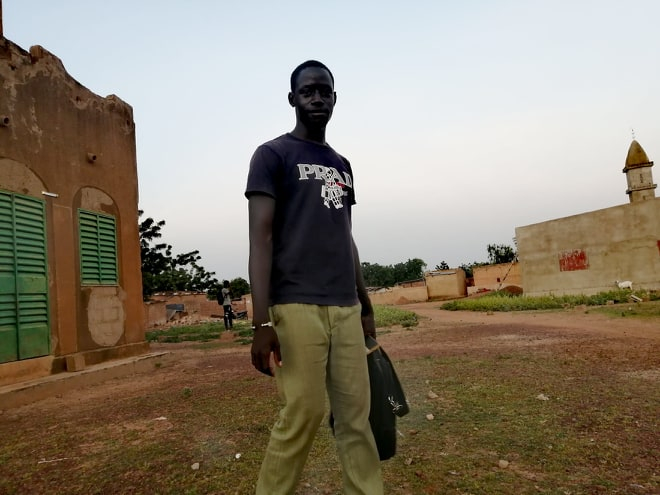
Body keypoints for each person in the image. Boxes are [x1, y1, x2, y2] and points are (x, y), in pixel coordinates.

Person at [245, 60, 383, 495]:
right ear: (293, 100)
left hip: (345, 308)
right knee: (301, 414)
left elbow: (346, 237)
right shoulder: (272, 155)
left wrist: (365, 304)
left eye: (325, 91)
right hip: (295, 305)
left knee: (355, 418)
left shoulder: (342, 164)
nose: (317, 98)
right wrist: (262, 322)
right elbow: (260, 240)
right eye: (308, 92)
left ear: (335, 98)